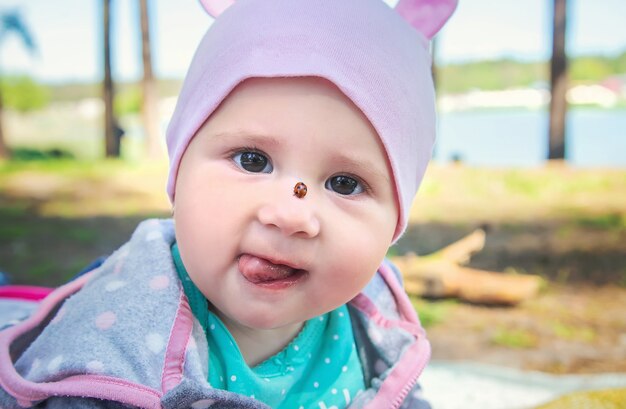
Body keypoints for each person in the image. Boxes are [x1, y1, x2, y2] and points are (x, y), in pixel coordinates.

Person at [0, 0, 456, 407]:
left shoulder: (377, 331)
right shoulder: (106, 360)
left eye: (344, 183)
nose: (291, 214)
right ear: (180, 170)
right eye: (253, 161)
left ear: (396, 220)